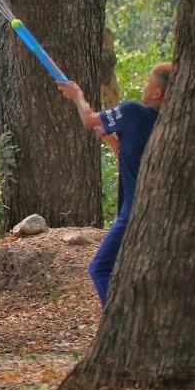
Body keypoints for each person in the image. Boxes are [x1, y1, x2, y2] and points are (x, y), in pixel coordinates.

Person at [58, 62, 171, 305]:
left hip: (133, 212)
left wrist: (78, 96)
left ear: (157, 93)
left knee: (99, 268)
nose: (145, 85)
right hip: (157, 214)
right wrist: (112, 141)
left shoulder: (132, 112)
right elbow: (131, 157)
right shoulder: (166, 125)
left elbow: (89, 118)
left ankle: (115, 324)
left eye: (148, 81)